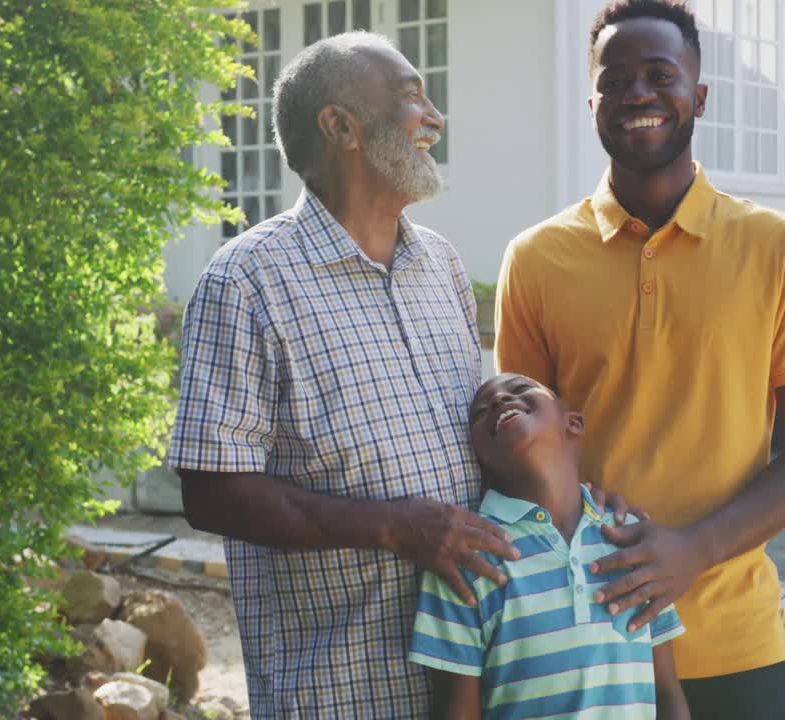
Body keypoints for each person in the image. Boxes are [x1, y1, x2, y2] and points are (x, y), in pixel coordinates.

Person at [493, 1, 785, 717]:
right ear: (593, 100)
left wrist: (692, 548)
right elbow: (522, 459)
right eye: (616, 78)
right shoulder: (535, 260)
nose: (639, 94)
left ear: (700, 95)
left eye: (661, 74)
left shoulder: (776, 247)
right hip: (590, 642)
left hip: (734, 636)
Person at [168, 32, 524, 718]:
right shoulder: (247, 280)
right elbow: (211, 493)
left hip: (471, 688)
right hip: (339, 691)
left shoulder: (442, 265)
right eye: (410, 95)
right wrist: (392, 527)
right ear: (341, 127)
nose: (434, 117)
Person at [408, 373, 691, 720]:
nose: (499, 400)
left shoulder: (633, 540)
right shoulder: (466, 557)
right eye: (481, 411)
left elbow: (668, 692)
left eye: (520, 389)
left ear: (572, 424)